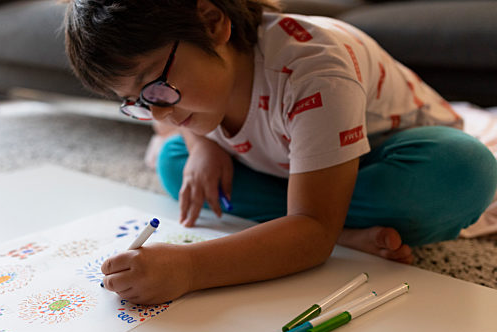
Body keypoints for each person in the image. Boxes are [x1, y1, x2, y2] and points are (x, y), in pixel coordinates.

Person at [65, 0, 497, 304]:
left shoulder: (314, 71)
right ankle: (339, 229)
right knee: (177, 163)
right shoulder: (187, 91)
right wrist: (201, 144)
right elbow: (167, 117)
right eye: (137, 101)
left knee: (462, 171)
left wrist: (190, 268)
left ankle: (320, 222)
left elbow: (310, 236)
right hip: (292, 168)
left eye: (156, 86)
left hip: (385, 158)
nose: (158, 109)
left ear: (213, 22)